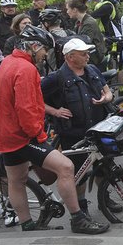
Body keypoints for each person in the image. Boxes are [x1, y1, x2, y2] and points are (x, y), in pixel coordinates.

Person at [0, 26, 108, 233]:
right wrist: (39, 135)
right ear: (33, 46)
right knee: (66, 168)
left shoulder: (7, 61)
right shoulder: (26, 69)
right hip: (22, 136)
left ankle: (28, 224)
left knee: (16, 180)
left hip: (4, 134)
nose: (45, 55)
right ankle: (78, 219)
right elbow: (26, 109)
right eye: (44, 49)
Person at [41, 37, 116, 214]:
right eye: (83, 54)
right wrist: (55, 111)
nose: (88, 56)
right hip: (73, 134)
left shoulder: (92, 70)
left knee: (104, 166)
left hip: (98, 128)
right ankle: (81, 207)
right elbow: (35, 100)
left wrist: (106, 98)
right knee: (78, 174)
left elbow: (108, 92)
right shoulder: (56, 78)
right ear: (70, 57)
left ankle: (105, 198)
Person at [64, 0, 107, 69]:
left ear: (75, 10)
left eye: (68, 9)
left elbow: (83, 42)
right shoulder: (79, 22)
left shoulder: (89, 23)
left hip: (94, 58)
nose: (67, 12)